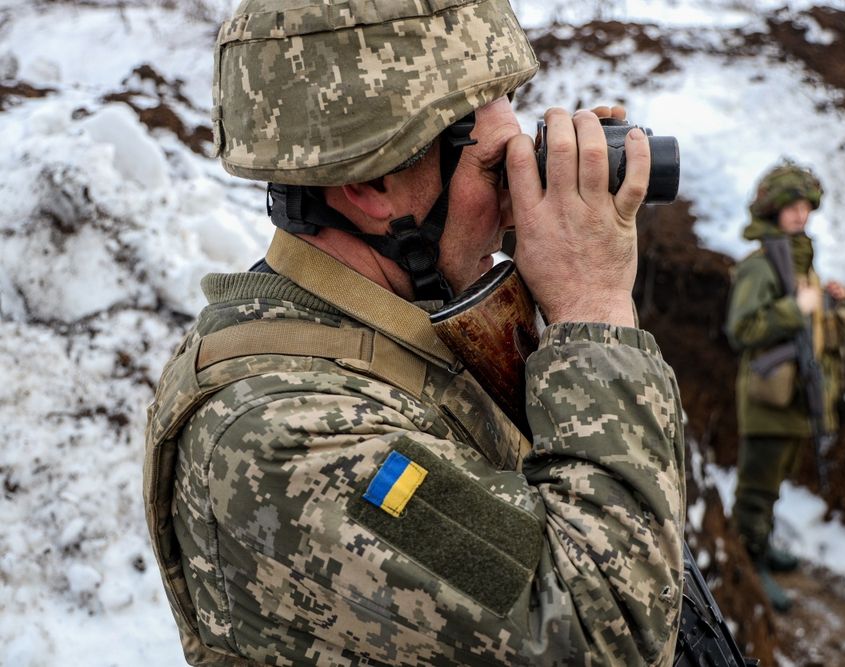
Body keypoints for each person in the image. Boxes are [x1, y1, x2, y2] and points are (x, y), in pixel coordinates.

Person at [143, 1, 687, 665]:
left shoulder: (396, 328)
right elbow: (605, 637)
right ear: (375, 185)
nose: (517, 194)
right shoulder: (283, 434)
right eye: (494, 167)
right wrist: (592, 306)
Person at [724, 162, 845, 612]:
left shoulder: (801, 260)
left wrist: (826, 303)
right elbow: (742, 330)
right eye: (792, 207)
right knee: (755, 490)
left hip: (794, 399)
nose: (801, 215)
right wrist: (795, 309)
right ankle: (746, 566)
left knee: (773, 484)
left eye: (806, 207)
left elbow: (806, 320)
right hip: (768, 400)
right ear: (773, 210)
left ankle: (761, 550)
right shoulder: (760, 267)